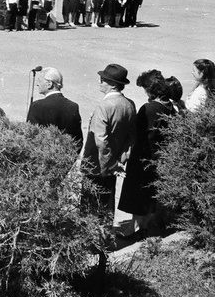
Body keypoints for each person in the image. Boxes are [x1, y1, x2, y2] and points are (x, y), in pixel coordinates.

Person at [118, 70, 176, 237]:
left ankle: (133, 229)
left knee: (136, 193)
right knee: (149, 194)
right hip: (158, 157)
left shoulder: (149, 108)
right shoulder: (169, 107)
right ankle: (143, 226)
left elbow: (137, 132)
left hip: (142, 156)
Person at [82, 63, 137, 236]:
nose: (100, 83)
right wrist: (121, 159)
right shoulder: (129, 104)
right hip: (113, 164)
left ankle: (90, 238)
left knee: (90, 203)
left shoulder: (104, 107)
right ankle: (105, 236)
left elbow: (101, 140)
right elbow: (131, 136)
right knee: (107, 203)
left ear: (112, 84)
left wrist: (107, 164)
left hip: (96, 164)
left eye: (103, 80)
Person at [26, 67, 82, 146]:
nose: (37, 84)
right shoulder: (73, 107)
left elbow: (29, 136)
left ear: (49, 84)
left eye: (39, 81)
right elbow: (78, 139)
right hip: (66, 156)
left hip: (41, 156)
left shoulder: (37, 106)